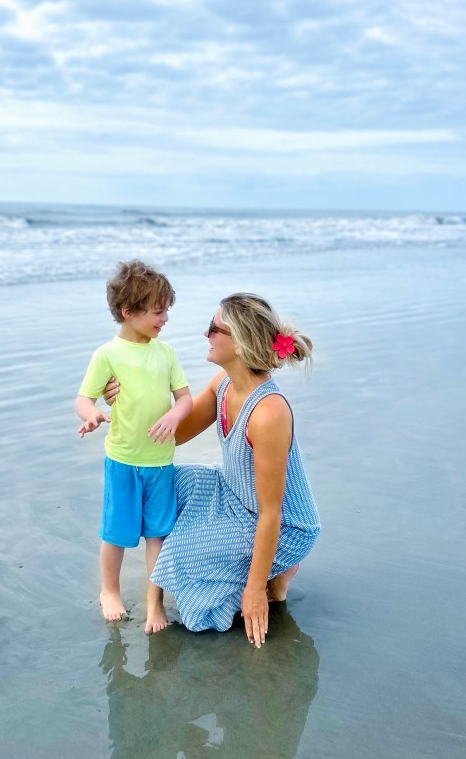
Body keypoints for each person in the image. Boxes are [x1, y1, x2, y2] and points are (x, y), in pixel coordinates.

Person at [105, 293, 320, 648]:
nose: (206, 334)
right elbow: (172, 436)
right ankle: (247, 572)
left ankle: (276, 576)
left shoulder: (268, 413)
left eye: (214, 328)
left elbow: (272, 512)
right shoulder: (224, 383)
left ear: (239, 342)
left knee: (190, 595)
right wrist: (124, 397)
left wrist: (255, 591)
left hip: (284, 524)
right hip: (233, 493)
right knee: (168, 484)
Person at [75, 260, 192, 634]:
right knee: (116, 533)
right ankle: (109, 590)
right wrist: (92, 414)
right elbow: (83, 398)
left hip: (160, 461)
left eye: (166, 310)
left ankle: (154, 602)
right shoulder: (107, 354)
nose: (165, 319)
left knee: (157, 534)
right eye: (158, 311)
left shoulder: (166, 353)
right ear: (129, 311)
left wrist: (174, 415)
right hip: (123, 459)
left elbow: (185, 398)